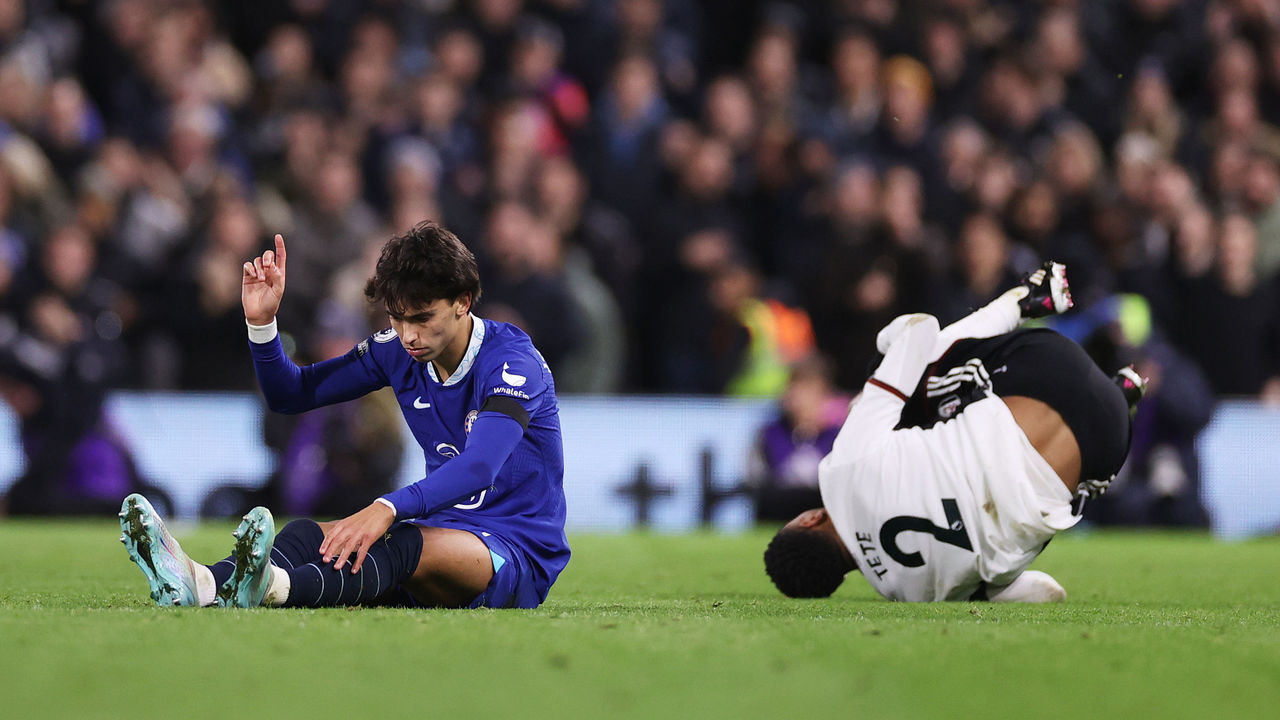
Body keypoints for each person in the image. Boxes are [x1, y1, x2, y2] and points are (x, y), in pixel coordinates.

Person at [119, 221, 569, 609]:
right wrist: (262, 325)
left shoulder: (512, 364)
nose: (408, 335)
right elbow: (291, 394)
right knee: (309, 536)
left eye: (422, 317)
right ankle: (199, 583)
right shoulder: (398, 352)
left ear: (463, 301)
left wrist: (388, 506)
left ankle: (271, 587)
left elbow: (479, 466)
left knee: (396, 541)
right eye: (397, 318)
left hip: (515, 553)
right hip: (445, 533)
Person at [764, 262, 1143, 602]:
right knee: (902, 378)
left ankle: (1114, 396)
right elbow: (919, 331)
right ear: (809, 519)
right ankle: (1025, 302)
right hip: (1050, 374)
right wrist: (885, 345)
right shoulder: (842, 467)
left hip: (1107, 448)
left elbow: (1037, 588)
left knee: (1008, 542)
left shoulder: (912, 592)